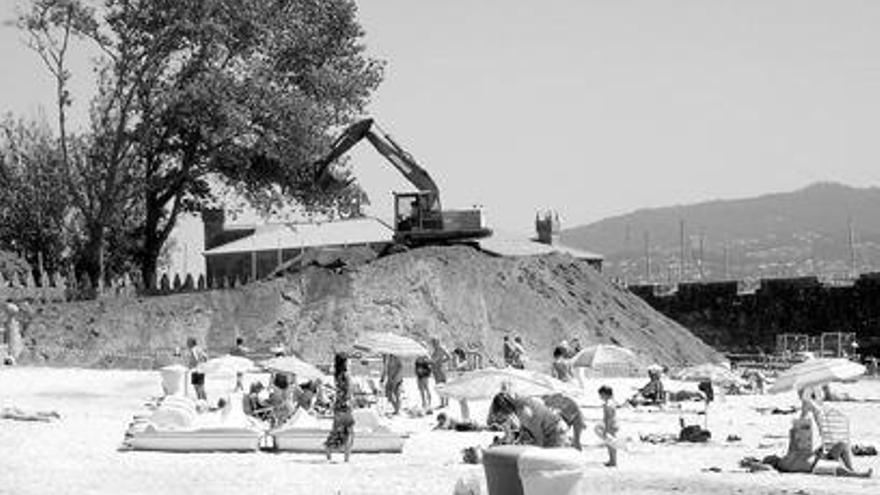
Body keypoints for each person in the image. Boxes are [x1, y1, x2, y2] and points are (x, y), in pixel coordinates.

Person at [797, 386, 870, 477]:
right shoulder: (809, 411)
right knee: (838, 449)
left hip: (819, 453)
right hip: (815, 458)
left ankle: (851, 470)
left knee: (842, 445)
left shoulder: (813, 410)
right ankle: (852, 472)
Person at [487, 391, 567, 448]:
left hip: (555, 432)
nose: (503, 417)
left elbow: (539, 438)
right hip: (555, 428)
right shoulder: (519, 404)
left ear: (504, 408)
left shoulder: (523, 411)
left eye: (501, 414)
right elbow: (525, 429)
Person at [325, 352, 355, 462]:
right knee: (349, 430)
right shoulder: (346, 375)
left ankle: (328, 451)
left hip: (338, 405)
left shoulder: (337, 375)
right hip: (345, 405)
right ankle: (346, 458)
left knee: (336, 429)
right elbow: (348, 391)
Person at [595, 385, 619, 467]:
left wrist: (606, 428)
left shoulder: (608, 404)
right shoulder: (612, 402)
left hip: (610, 425)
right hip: (614, 423)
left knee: (610, 444)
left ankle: (613, 461)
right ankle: (612, 460)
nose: (600, 397)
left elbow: (608, 417)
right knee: (611, 443)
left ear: (606, 394)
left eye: (601, 395)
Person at [430, 338, 451, 408]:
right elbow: (449, 357)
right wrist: (442, 361)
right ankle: (445, 402)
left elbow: (449, 357)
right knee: (443, 385)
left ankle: (444, 403)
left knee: (441, 385)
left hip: (439, 369)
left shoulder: (438, 350)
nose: (433, 345)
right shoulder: (440, 349)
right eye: (433, 343)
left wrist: (441, 361)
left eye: (434, 343)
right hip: (439, 369)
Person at [185, 337, 208, 401]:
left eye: (188, 343)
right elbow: (205, 358)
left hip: (196, 370)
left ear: (192, 343)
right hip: (201, 369)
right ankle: (204, 401)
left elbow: (195, 359)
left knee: (197, 388)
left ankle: (201, 402)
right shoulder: (199, 349)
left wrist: (190, 367)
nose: (187, 344)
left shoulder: (193, 350)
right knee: (201, 387)